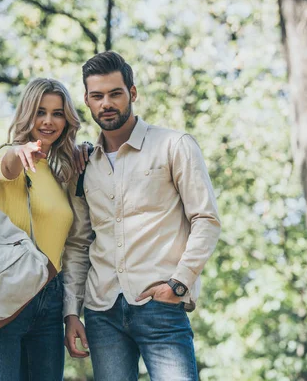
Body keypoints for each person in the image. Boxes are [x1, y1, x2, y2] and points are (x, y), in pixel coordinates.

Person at [61, 51, 222, 381]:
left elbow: (205, 219)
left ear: (132, 94)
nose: (107, 103)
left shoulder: (174, 145)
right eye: (97, 96)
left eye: (115, 93)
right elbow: (78, 244)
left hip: (160, 305)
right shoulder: (84, 165)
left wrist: (178, 284)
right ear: (88, 102)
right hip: (101, 311)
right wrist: (71, 312)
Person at [0, 78, 83, 380]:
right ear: (27, 114)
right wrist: (18, 152)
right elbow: (7, 164)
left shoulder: (62, 171)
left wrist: (71, 312)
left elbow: (73, 244)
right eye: (40, 112)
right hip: (6, 294)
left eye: (57, 113)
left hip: (50, 299)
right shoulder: (9, 156)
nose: (48, 121)